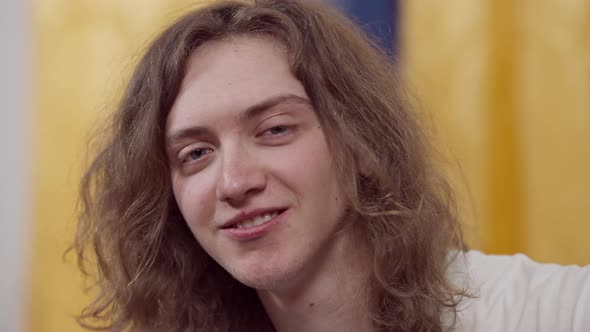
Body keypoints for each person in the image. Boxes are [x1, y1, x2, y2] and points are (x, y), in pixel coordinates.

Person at [73, 1, 590, 331]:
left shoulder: (541, 311)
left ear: (362, 143)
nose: (233, 182)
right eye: (196, 154)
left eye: (275, 130)